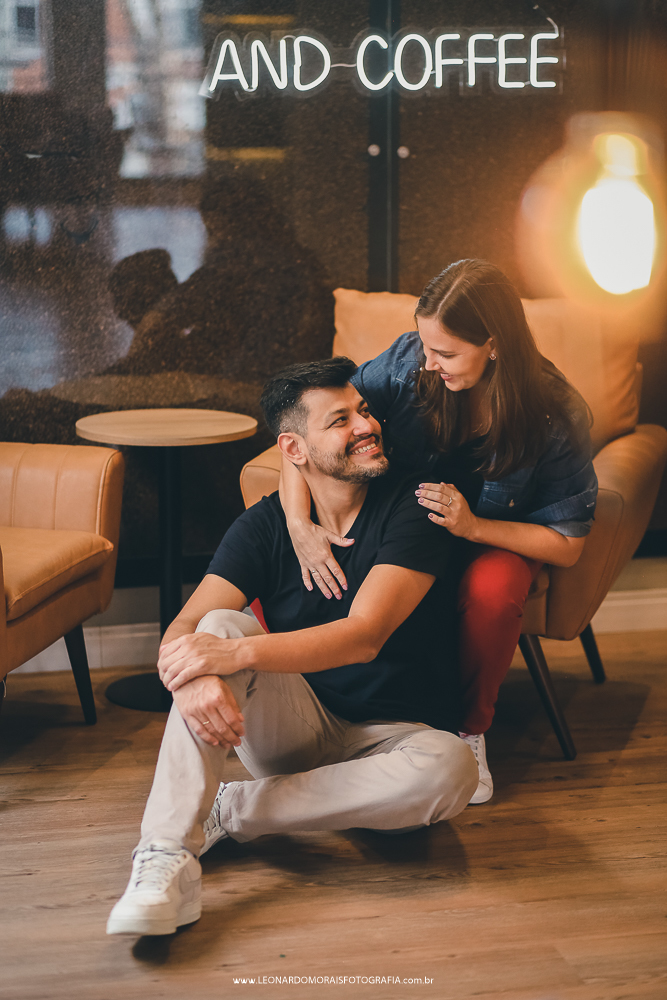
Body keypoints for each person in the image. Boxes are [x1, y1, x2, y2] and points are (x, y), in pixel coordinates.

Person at [107, 357, 478, 937]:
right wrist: (196, 674)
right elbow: (184, 628)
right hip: (295, 728)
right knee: (219, 625)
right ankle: (164, 857)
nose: (366, 425)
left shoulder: (415, 506)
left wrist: (234, 656)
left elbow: (364, 636)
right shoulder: (264, 527)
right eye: (340, 420)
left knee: (453, 767)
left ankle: (229, 809)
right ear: (294, 449)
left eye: (364, 411)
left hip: (396, 741)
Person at [280, 259, 598, 805]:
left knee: (492, 592)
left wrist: (474, 527)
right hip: (409, 520)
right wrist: (298, 522)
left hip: (496, 536)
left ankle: (468, 732)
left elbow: (568, 546)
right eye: (426, 346)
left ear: (493, 344)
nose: (429, 363)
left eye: (445, 353)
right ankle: (328, 713)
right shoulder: (410, 362)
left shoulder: (554, 413)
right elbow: (308, 424)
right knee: (329, 553)